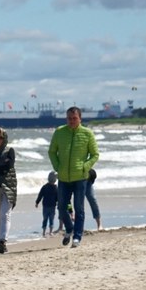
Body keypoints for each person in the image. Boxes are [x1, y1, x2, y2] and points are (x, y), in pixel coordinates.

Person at [47, 106, 99, 248]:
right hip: (63, 177)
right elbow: (52, 152)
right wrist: (57, 167)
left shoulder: (87, 134)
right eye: (69, 118)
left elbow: (95, 154)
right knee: (62, 208)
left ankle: (77, 237)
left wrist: (85, 166)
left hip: (80, 177)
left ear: (80, 118)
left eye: (74, 118)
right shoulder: (59, 132)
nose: (72, 121)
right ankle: (69, 228)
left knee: (79, 208)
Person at [35, 172, 58, 237]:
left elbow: (40, 195)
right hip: (52, 206)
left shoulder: (45, 187)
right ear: (55, 179)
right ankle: (50, 232)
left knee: (45, 219)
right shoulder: (56, 188)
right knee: (51, 219)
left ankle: (44, 232)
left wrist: (37, 202)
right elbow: (57, 198)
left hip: (45, 206)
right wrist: (58, 203)